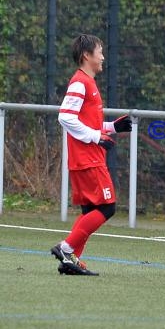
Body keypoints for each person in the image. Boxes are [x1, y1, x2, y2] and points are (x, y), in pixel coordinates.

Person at [51, 34, 132, 276]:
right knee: (107, 208)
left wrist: (111, 128)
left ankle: (71, 261)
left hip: (85, 158)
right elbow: (65, 117)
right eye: (100, 51)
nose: (103, 56)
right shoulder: (80, 83)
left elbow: (87, 122)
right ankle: (66, 248)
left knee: (90, 212)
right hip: (88, 159)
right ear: (86, 55)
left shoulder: (88, 83)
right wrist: (96, 137)